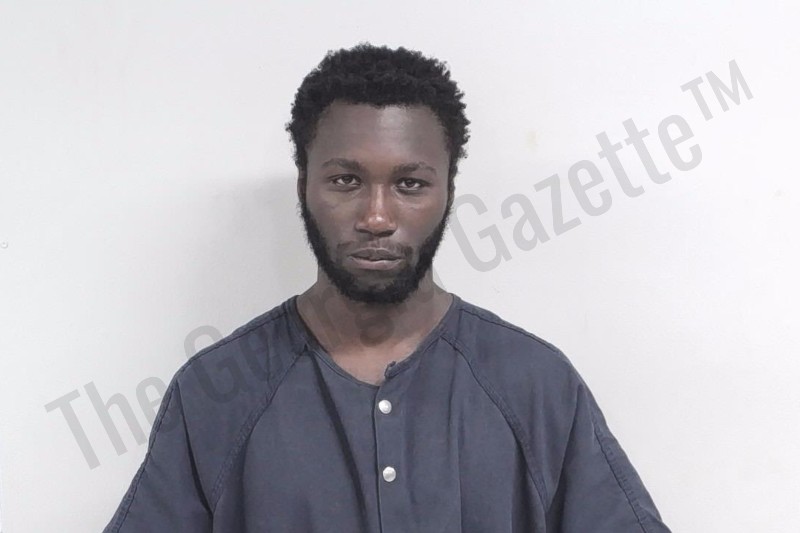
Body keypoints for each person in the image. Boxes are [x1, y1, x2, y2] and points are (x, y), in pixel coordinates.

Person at [104, 42, 671, 532]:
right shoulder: (215, 393)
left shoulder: (535, 385)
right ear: (304, 186)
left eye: (409, 183)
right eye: (345, 180)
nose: (376, 217)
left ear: (448, 190)